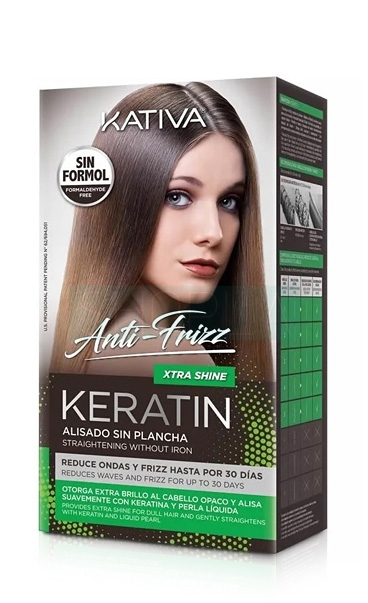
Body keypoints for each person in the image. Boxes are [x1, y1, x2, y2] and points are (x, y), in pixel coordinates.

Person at [51, 82, 272, 380]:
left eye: (228, 201)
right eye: (177, 196)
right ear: (122, 208)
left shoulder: (91, 348)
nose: (214, 232)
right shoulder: (175, 357)